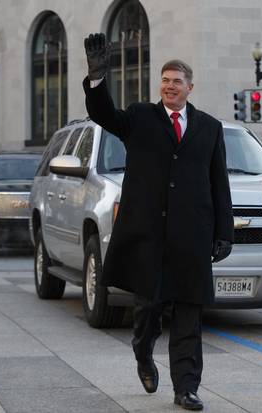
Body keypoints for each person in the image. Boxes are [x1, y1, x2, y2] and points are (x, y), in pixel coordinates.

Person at [83, 33, 233, 411]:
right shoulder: (139, 117)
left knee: (188, 314)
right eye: (165, 81)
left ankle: (186, 388)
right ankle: (143, 351)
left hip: (191, 237)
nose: (169, 86)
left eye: (176, 81)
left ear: (189, 88)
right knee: (148, 308)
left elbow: (219, 183)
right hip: (148, 234)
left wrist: (224, 232)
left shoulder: (210, 128)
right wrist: (98, 77)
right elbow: (103, 115)